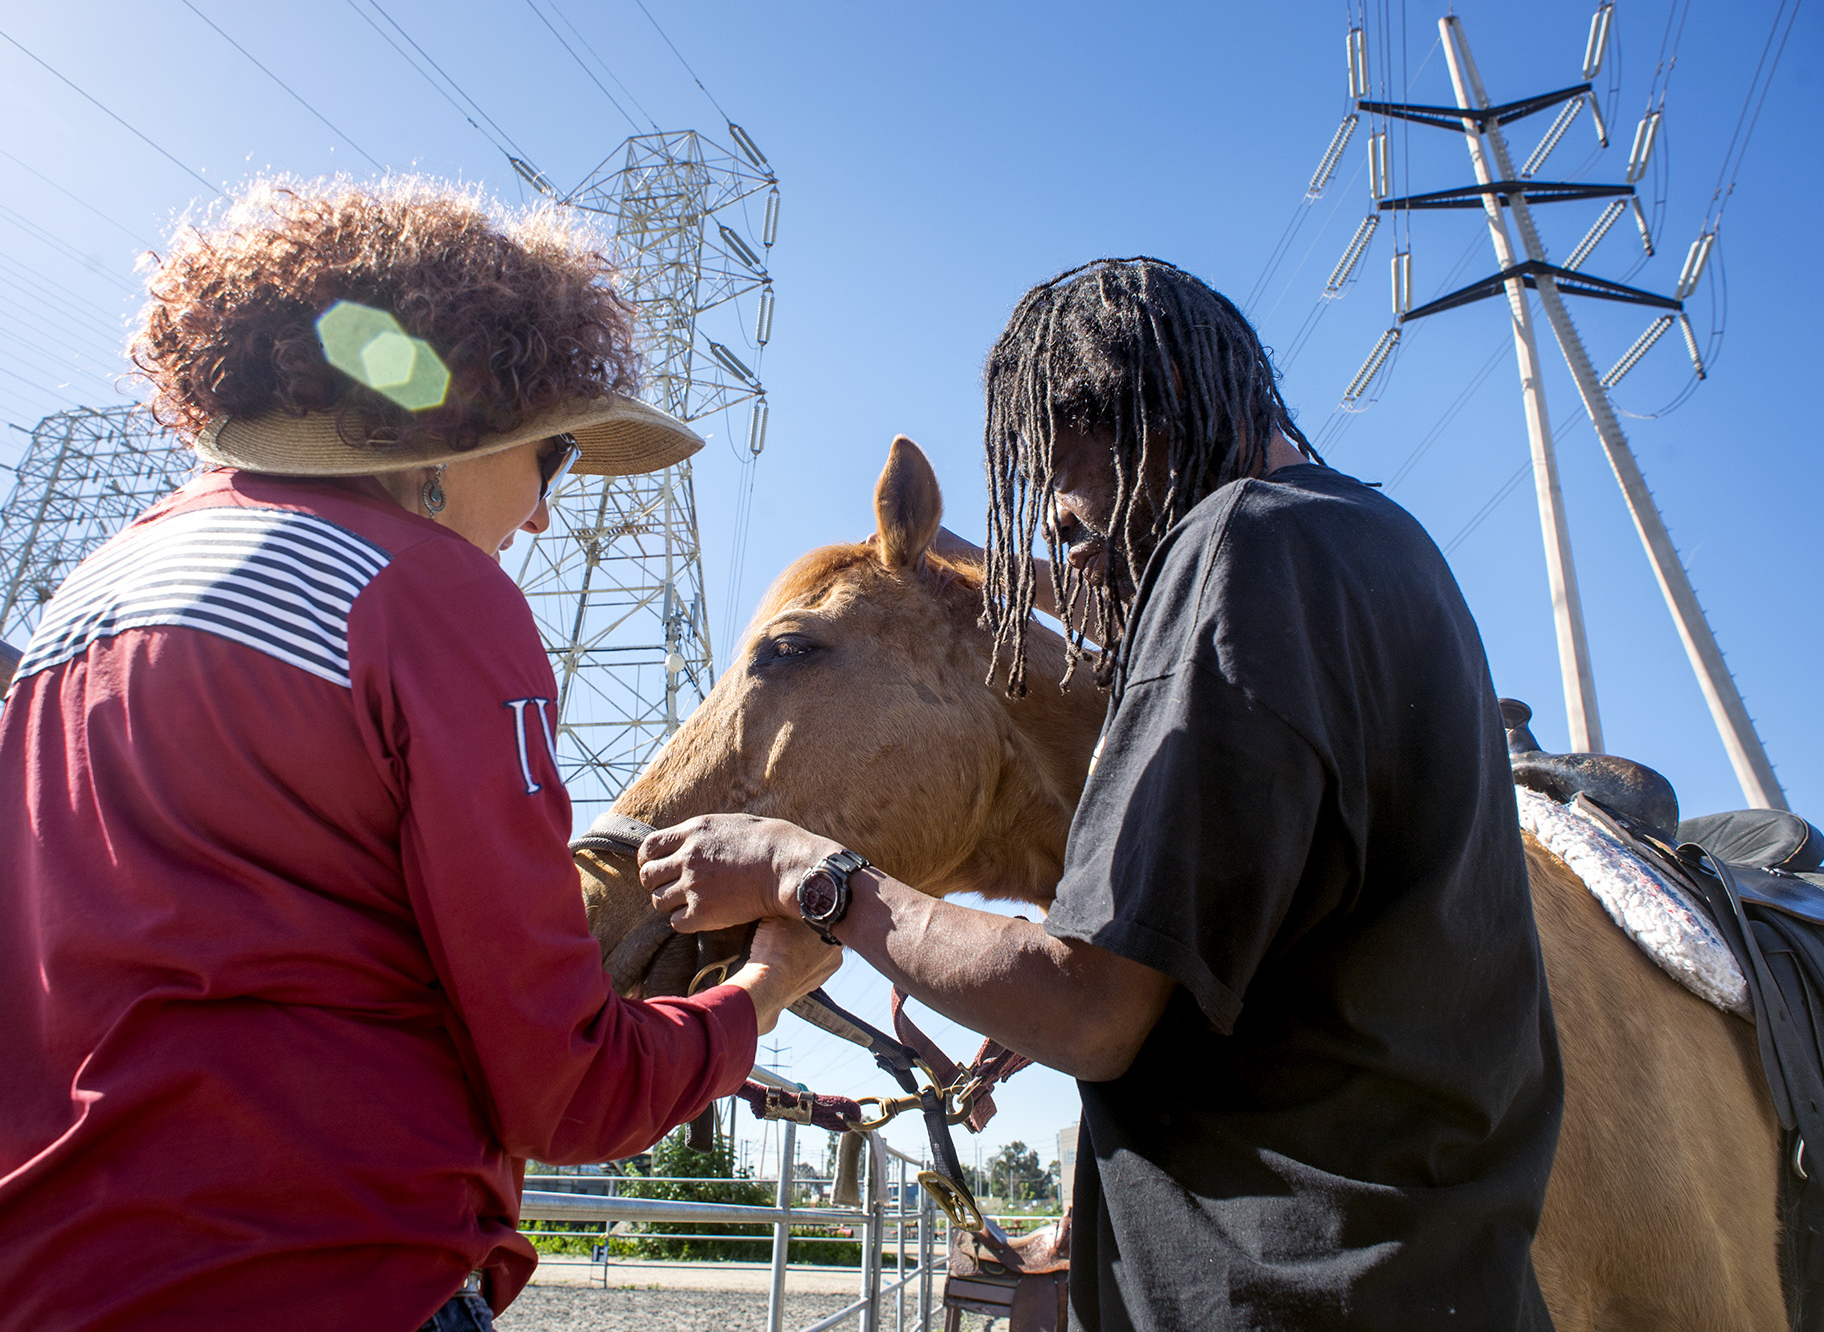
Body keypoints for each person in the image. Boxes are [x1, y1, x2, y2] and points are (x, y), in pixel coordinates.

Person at [0, 178, 834, 1332]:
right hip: (306, 1276)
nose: (540, 518)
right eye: (553, 454)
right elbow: (565, 1092)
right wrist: (759, 993)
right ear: (447, 424)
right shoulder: (429, 595)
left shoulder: (109, 577)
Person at [639, 258, 1563, 1330]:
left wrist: (805, 872)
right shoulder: (1377, 549)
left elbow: (1091, 1010)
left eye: (1062, 475)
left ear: (1152, 400)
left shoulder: (1235, 548)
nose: (1063, 533)